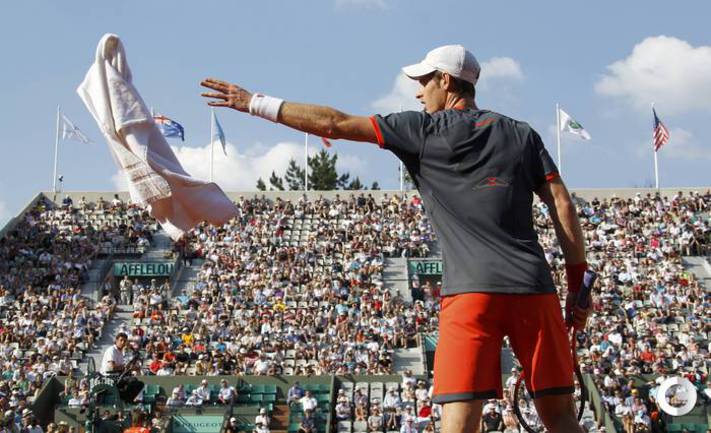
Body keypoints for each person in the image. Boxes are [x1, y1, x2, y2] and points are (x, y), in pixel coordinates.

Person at [202, 43, 592, 433]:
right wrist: (577, 284)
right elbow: (561, 203)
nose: (419, 92)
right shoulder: (522, 134)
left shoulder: (421, 129)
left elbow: (335, 123)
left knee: (458, 424)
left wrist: (254, 102)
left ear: (445, 80)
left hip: (470, 294)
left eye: (424, 81)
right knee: (561, 417)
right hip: (534, 289)